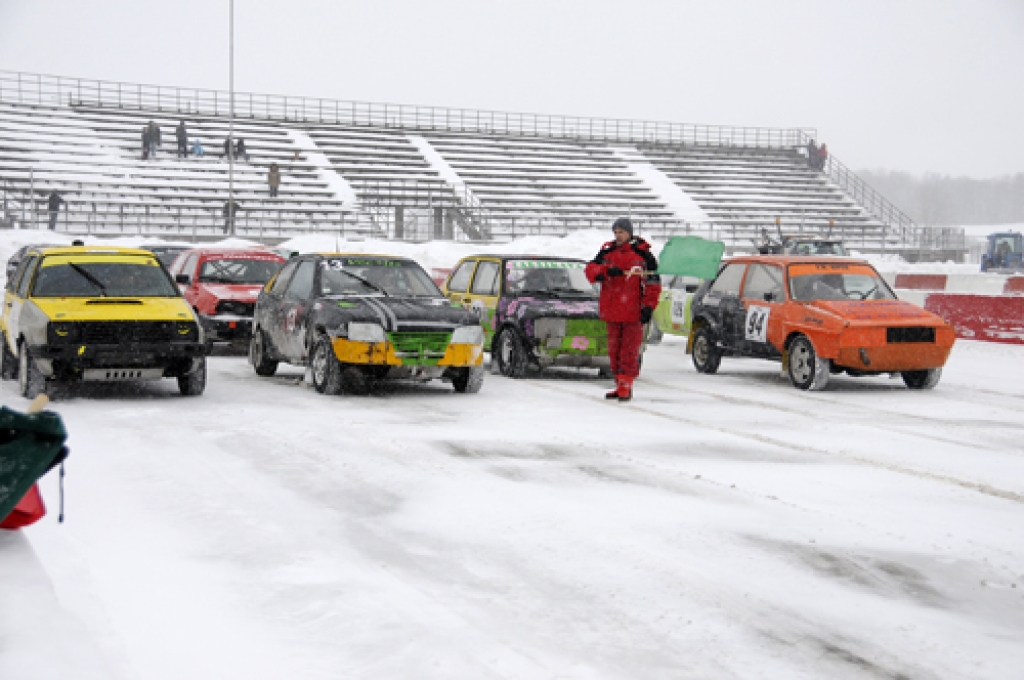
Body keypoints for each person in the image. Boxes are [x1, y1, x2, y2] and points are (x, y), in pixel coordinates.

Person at [585, 217, 661, 402]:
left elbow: (653, 284)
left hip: (632, 311)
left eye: (621, 232)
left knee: (629, 351)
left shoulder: (643, 255)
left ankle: (626, 384)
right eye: (616, 232)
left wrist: (648, 306)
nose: (618, 236)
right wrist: (605, 272)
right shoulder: (607, 251)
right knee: (614, 350)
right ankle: (619, 383)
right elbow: (590, 270)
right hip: (612, 310)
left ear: (630, 233)